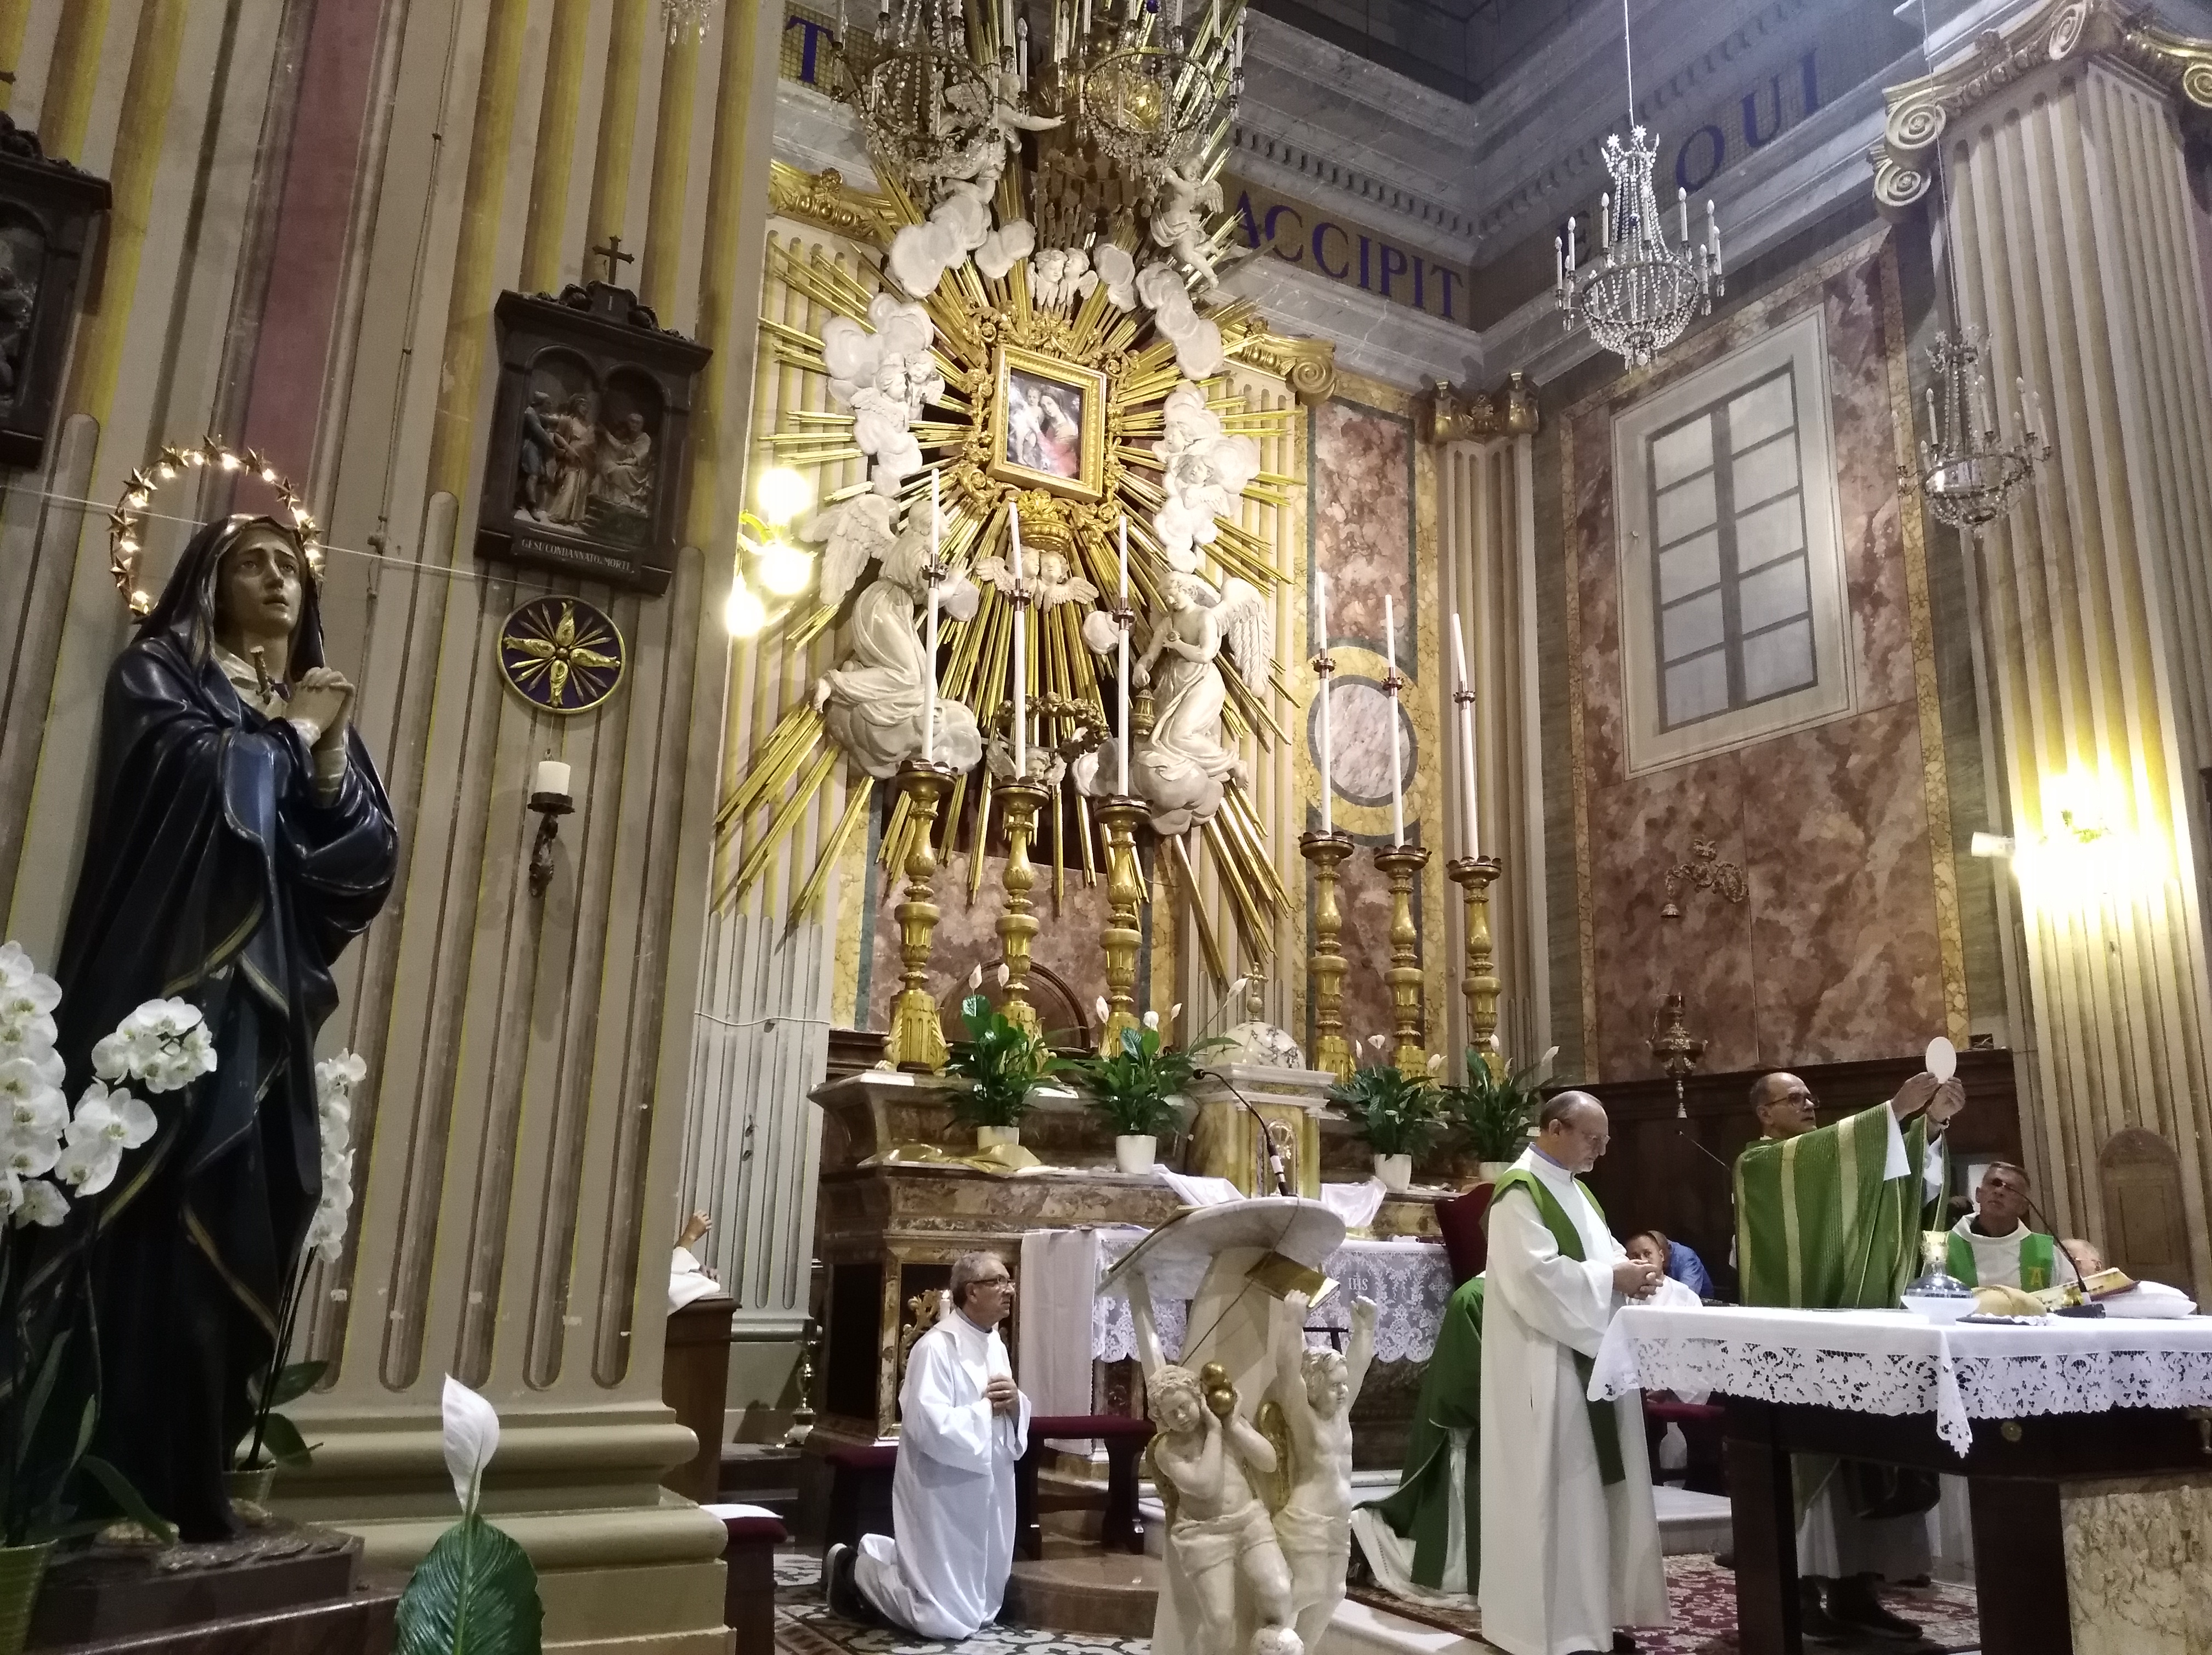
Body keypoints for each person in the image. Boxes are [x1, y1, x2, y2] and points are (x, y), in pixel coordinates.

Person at [13, 516, 396, 1540]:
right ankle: (99, 1484)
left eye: (291, 567)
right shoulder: (158, 677)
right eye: (252, 564)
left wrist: (325, 758)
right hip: (167, 991)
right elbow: (189, 788)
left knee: (259, 1205)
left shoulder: (296, 707)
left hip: (268, 1008)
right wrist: (289, 738)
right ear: (206, 584)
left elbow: (359, 856)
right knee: (154, 1215)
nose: (278, 580)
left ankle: (198, 1477)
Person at [1735, 1069, 1962, 1644]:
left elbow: (1893, 1188)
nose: (1809, 1103)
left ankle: (1858, 1593)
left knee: (1865, 1457)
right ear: (1764, 1113)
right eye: (1793, 1098)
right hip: (1797, 1346)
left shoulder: (1840, 1154)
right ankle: (1801, 1595)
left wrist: (1931, 1126)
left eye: (1811, 1096)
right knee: (1811, 1462)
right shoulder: (1759, 1163)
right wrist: (1894, 1110)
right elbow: (1823, 1161)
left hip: (1856, 1329)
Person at [1480, 1091, 1672, 1655]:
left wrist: (1635, 1273)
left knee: (1596, 1494)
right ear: (1555, 1128)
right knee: (1563, 1493)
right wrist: (1613, 1279)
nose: (1602, 1151)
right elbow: (1535, 1278)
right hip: (1550, 1361)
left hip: (1591, 1355)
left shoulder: (1578, 1190)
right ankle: (1554, 1630)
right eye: (1593, 1138)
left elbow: (1606, 1256)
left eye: (1606, 1140)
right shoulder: (1519, 1192)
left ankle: (1594, 1619)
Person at [826, 1252, 1029, 1639]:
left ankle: (884, 1561)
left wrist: (1017, 1405)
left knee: (981, 1610)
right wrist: (987, 1409)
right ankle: (852, 1569)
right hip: (943, 1488)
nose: (1009, 1291)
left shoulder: (995, 1344)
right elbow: (928, 1425)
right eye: (999, 1282)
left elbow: (1007, 1416)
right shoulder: (935, 1348)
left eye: (1009, 1282)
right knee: (938, 1619)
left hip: (989, 1488)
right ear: (972, 1291)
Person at [1352, 1271, 1485, 1599]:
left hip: (1499, 1439)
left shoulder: (1526, 1295)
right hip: (1469, 1437)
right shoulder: (1472, 1299)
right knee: (1452, 1567)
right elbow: (1464, 1388)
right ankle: (1366, 1546)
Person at [1269, 1289, 1375, 1652]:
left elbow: (1358, 1366)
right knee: (1308, 1590)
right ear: (1313, 1387)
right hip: (1308, 1518)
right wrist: (1291, 1322)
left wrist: (1365, 1331)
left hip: (1337, 1522)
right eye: (1334, 1385)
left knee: (1334, 1592)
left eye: (1343, 1384)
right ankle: (1270, 1644)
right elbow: (1287, 1372)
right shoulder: (1305, 1418)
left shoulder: (1341, 1415)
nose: (1343, 1391)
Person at [1945, 1162, 2054, 1290]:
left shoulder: (2047, 1253)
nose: (1999, 1191)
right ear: (1978, 1194)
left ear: (2023, 1207)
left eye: (2011, 1189)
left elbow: (2069, 1296)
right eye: (1994, 1184)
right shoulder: (1943, 1247)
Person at [1626, 1230, 1714, 1299]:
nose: (1644, 1261)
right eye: (1635, 1256)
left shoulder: (1687, 1258)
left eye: (1648, 1254)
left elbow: (1686, 1294)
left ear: (1662, 1254)